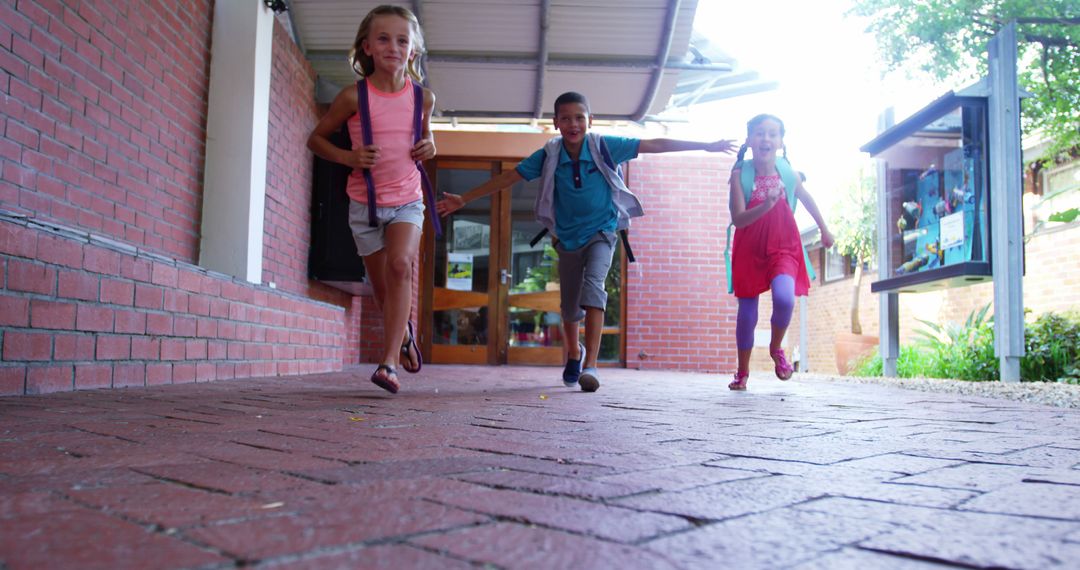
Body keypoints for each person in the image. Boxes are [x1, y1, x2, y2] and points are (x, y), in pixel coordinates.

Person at [437, 92, 736, 392]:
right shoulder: (550, 154)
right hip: (567, 238)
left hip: (602, 232)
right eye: (565, 118)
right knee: (569, 308)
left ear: (590, 121)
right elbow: (509, 177)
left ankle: (591, 366)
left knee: (593, 287)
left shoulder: (604, 145)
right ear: (555, 123)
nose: (573, 124)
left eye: (579, 117)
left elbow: (654, 144)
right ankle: (574, 353)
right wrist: (464, 198)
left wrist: (706, 146)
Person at [307, 5, 436, 394]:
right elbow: (315, 139)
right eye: (383, 38)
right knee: (382, 288)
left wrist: (430, 145)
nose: (392, 46)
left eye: (401, 40)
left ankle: (389, 363)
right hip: (364, 204)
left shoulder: (423, 98)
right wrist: (348, 157)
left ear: (412, 50)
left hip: (408, 199)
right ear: (367, 46)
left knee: (400, 267)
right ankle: (405, 336)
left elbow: (425, 137)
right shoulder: (352, 97)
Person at [727, 114, 833, 391]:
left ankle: (776, 348)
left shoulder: (788, 172)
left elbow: (807, 198)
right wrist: (767, 204)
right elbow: (738, 219)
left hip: (783, 246)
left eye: (773, 134)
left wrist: (824, 229)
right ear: (749, 140)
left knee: (785, 299)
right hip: (749, 248)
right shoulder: (740, 174)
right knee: (747, 313)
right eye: (760, 133)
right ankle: (742, 371)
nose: (766, 138)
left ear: (781, 141)